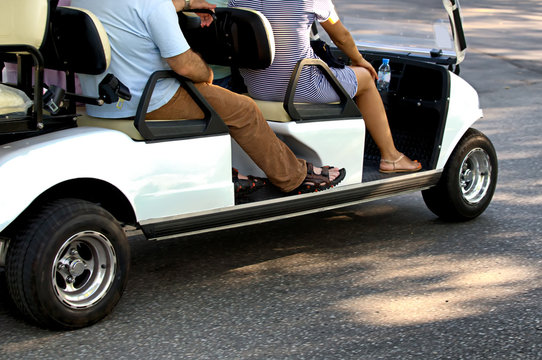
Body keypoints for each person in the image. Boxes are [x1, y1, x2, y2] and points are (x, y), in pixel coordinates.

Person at [70, 0, 345, 194]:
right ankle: (293, 177)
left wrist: (186, 3)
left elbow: (140, 11)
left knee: (220, 101)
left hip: (101, 101)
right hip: (150, 100)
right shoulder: (153, 4)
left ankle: (229, 174)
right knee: (243, 109)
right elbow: (184, 65)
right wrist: (206, 76)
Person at [228, 0, 421, 173]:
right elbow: (341, 37)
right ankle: (391, 156)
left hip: (257, 87)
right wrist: (359, 60)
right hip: (301, 86)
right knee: (366, 78)